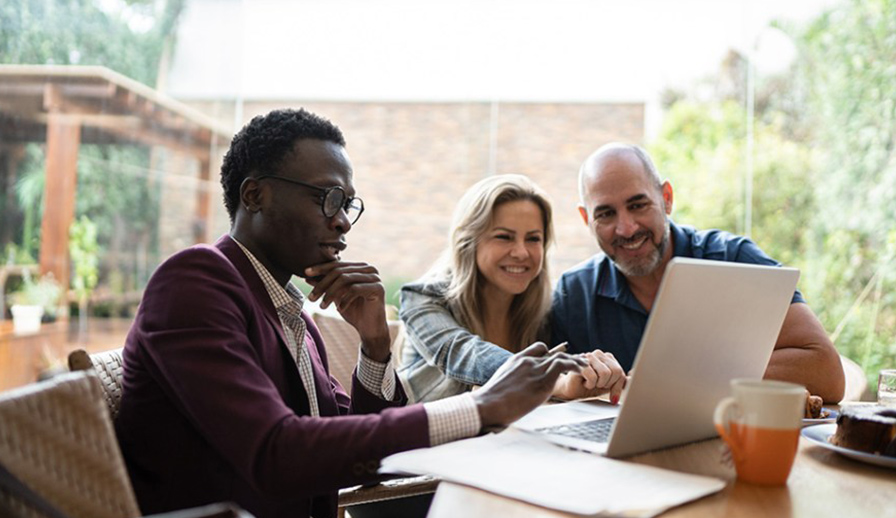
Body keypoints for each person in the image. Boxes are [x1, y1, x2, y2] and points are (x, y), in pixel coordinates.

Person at [114, 108, 588, 518]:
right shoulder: (196, 280)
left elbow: (357, 445)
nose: (342, 220)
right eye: (328, 198)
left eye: (348, 204)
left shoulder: (289, 314)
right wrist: (482, 406)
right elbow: (278, 453)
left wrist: (376, 346)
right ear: (255, 195)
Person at [551, 143, 845, 403]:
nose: (626, 228)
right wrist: (566, 385)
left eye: (638, 205)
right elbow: (533, 378)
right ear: (586, 218)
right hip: (610, 459)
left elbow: (826, 371)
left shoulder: (735, 259)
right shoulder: (572, 294)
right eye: (605, 213)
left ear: (666, 198)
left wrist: (681, 378)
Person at [399, 174, 625, 404]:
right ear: (469, 242)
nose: (521, 252)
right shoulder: (421, 298)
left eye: (533, 239)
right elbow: (463, 354)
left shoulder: (546, 310)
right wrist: (554, 380)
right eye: (504, 237)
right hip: (425, 437)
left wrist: (598, 372)